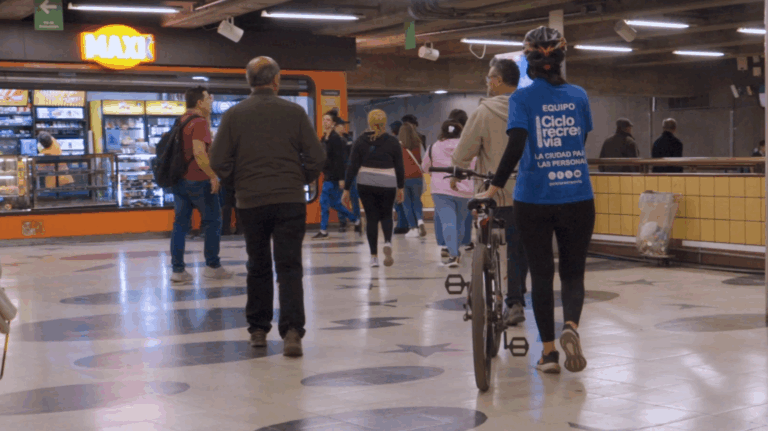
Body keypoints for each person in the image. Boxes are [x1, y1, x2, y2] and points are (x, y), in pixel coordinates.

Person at [479, 26, 594, 375]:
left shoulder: (523, 99)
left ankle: (548, 354)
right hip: (577, 194)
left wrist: (494, 187)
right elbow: (582, 138)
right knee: (573, 274)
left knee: (541, 275)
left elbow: (516, 145)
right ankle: (570, 327)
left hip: (534, 198)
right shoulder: (578, 95)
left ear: (528, 60)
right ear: (560, 59)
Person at [210, 57, 326, 357]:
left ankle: (258, 330)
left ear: (249, 81)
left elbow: (218, 161)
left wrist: (240, 182)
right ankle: (291, 333)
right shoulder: (295, 112)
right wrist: (299, 178)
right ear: (277, 81)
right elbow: (316, 156)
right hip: (289, 200)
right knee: (289, 267)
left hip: (251, 202)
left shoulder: (234, 116)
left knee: (257, 265)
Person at [451, 56, 528, 329]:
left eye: (488, 78)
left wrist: (457, 169)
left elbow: (462, 154)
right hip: (529, 193)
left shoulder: (483, 112)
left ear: (495, 81)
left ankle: (487, 289)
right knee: (519, 248)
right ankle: (516, 300)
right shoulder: (530, 108)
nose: (487, 83)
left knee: (488, 243)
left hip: (494, 194)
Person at [169, 87, 233, 284]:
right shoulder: (199, 122)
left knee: (180, 225)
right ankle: (213, 266)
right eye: (208, 98)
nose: (211, 101)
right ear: (199, 102)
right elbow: (199, 152)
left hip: (179, 181)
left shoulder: (180, 121)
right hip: (198, 180)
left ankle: (178, 271)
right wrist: (213, 176)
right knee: (213, 221)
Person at [343, 109, 405, 268]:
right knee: (386, 215)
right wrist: (401, 187)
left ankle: (374, 257)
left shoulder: (360, 141)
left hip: (366, 181)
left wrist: (347, 189)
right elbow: (399, 166)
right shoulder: (392, 142)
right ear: (384, 123)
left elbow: (352, 166)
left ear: (369, 122)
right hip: (388, 181)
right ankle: (388, 243)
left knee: (371, 218)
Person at [423, 121, 474, 267]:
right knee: (460, 222)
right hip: (464, 189)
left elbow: (425, 167)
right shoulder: (467, 146)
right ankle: (455, 250)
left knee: (448, 222)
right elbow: (474, 165)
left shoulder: (433, 146)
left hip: (441, 190)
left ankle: (453, 253)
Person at [313, 110, 362, 239]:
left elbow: (339, 160)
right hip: (327, 174)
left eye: (328, 120)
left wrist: (341, 178)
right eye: (324, 120)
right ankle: (355, 219)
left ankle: (323, 230)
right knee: (335, 204)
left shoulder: (336, 139)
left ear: (333, 123)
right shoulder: (324, 138)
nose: (325, 122)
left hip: (334, 176)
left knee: (324, 201)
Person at [399, 122, 427, 238]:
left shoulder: (398, 145)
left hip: (403, 177)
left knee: (407, 204)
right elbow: (424, 160)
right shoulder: (418, 144)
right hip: (417, 176)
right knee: (417, 201)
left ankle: (413, 228)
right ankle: (420, 220)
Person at [335, 117, 361, 232]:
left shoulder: (349, 138)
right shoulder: (333, 140)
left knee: (354, 197)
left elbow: (354, 154)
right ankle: (342, 222)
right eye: (341, 125)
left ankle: (357, 221)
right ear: (336, 127)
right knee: (340, 198)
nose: (344, 127)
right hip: (339, 173)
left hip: (351, 172)